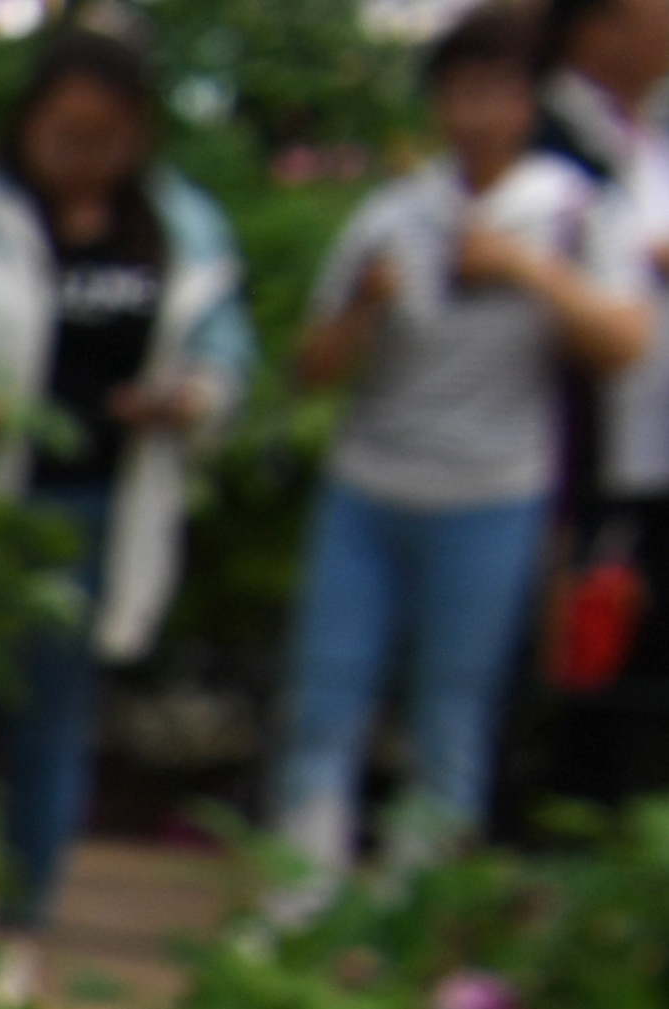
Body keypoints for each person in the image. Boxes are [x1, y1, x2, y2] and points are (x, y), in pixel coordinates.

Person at [0, 22, 254, 976]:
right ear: (27, 124)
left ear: (140, 134)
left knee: (52, 719)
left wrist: (187, 400)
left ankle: (20, 916)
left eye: (105, 136)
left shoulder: (180, 229)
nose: (82, 156)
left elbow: (227, 359)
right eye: (64, 133)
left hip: (95, 511)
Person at [273, 4, 652, 894]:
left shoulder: (571, 210)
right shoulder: (393, 214)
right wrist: (364, 308)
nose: (479, 112)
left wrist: (524, 272)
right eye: (462, 91)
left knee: (453, 710)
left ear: (528, 103)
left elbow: (624, 343)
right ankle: (297, 895)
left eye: (500, 92)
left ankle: (420, 906)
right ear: (437, 103)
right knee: (325, 697)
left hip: (493, 495)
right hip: (369, 487)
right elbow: (310, 368)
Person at [537, 0, 669, 806]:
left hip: (645, 452)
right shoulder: (551, 140)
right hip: (576, 453)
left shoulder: (638, 137)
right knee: (585, 660)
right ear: (600, 25)